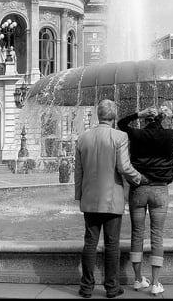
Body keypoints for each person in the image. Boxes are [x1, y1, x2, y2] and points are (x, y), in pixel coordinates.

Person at [74, 99, 146, 299]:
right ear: (114, 117)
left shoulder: (83, 138)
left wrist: (79, 195)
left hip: (89, 199)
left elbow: (78, 172)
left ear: (98, 115)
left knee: (90, 242)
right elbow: (123, 167)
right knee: (112, 244)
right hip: (112, 198)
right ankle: (112, 288)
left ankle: (86, 287)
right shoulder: (120, 136)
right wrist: (139, 178)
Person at [117, 104, 173, 296]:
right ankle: (156, 283)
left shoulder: (137, 134)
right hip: (160, 190)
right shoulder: (170, 135)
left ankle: (139, 279)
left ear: (146, 120)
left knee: (137, 233)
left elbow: (121, 123)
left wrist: (138, 113)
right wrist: (172, 114)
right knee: (157, 235)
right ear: (161, 119)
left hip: (139, 189)